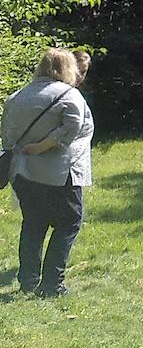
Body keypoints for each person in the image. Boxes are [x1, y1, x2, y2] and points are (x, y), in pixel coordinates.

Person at [2, 47, 92, 298]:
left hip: (22, 172)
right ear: (68, 68)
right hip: (59, 173)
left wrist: (26, 149)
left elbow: (7, 136)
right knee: (69, 223)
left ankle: (28, 280)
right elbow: (73, 127)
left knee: (33, 223)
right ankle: (53, 283)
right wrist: (43, 146)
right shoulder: (69, 94)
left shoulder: (17, 96)